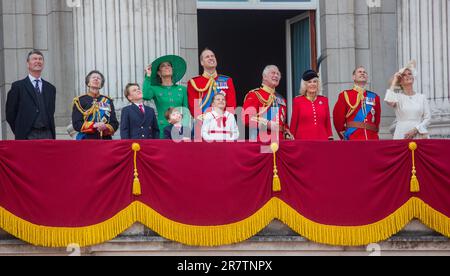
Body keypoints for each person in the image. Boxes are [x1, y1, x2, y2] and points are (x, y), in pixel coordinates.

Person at [6, 50, 56, 140]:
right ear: (28, 64)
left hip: (47, 134)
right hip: (27, 135)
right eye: (34, 59)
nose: (38, 61)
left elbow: (51, 112)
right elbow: (10, 114)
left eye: (40, 59)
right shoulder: (18, 86)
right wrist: (20, 130)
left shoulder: (50, 88)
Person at [242, 65, 293, 142]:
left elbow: (282, 122)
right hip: (262, 141)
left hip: (281, 142)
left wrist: (287, 131)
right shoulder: (255, 95)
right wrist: (267, 124)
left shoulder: (281, 99)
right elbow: (246, 118)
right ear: (264, 76)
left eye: (278, 74)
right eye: (273, 73)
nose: (276, 75)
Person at [143, 55, 189, 138]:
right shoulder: (155, 89)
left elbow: (186, 109)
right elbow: (146, 96)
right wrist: (148, 76)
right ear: (159, 73)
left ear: (172, 69)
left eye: (169, 65)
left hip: (180, 127)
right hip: (162, 127)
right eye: (163, 66)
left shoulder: (182, 89)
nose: (167, 67)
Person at [385, 60, 431, 139]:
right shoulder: (397, 97)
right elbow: (388, 101)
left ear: (413, 77)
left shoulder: (421, 97)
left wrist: (416, 129)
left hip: (419, 134)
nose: (408, 76)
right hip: (402, 133)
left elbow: (428, 118)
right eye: (404, 75)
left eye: (409, 74)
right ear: (400, 81)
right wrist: (394, 80)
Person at [333, 66, 381, 141]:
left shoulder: (374, 97)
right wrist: (344, 133)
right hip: (353, 137)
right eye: (359, 72)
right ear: (354, 77)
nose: (362, 73)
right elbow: (338, 118)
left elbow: (377, 119)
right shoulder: (345, 95)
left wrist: (374, 132)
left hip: (371, 137)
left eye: (364, 72)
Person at [187, 48, 237, 119]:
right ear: (202, 62)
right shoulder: (194, 82)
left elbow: (231, 105)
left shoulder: (227, 80)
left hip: (223, 122)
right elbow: (194, 107)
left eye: (212, 56)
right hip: (203, 123)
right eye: (207, 57)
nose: (211, 58)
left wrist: (224, 118)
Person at [72, 70, 119, 140]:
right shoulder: (79, 100)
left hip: (105, 139)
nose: (96, 79)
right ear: (88, 83)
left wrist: (106, 127)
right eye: (93, 77)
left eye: (98, 78)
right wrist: (93, 125)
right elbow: (76, 124)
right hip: (85, 139)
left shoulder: (107, 101)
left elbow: (114, 123)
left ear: (101, 84)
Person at [290, 70, 333, 140]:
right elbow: (294, 122)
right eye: (309, 82)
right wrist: (291, 137)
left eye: (315, 81)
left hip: (322, 140)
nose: (312, 84)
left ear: (318, 84)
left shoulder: (324, 100)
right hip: (303, 141)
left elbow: (327, 122)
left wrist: (330, 137)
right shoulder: (298, 100)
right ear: (305, 85)